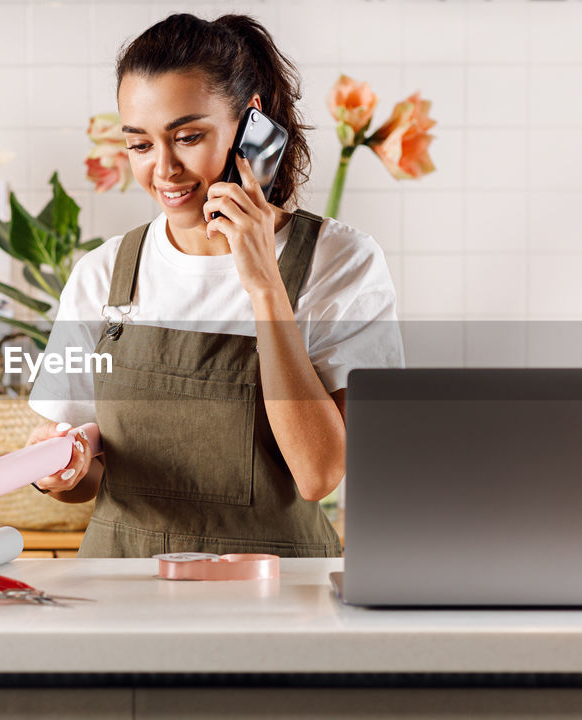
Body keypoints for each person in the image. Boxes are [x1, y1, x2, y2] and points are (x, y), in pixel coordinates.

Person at [23, 13, 403, 558]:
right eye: (140, 145)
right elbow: (84, 475)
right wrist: (63, 471)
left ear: (251, 126)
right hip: (122, 600)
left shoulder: (340, 264)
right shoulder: (102, 273)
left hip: (274, 604)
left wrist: (266, 288)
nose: (164, 169)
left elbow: (320, 474)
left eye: (188, 137)